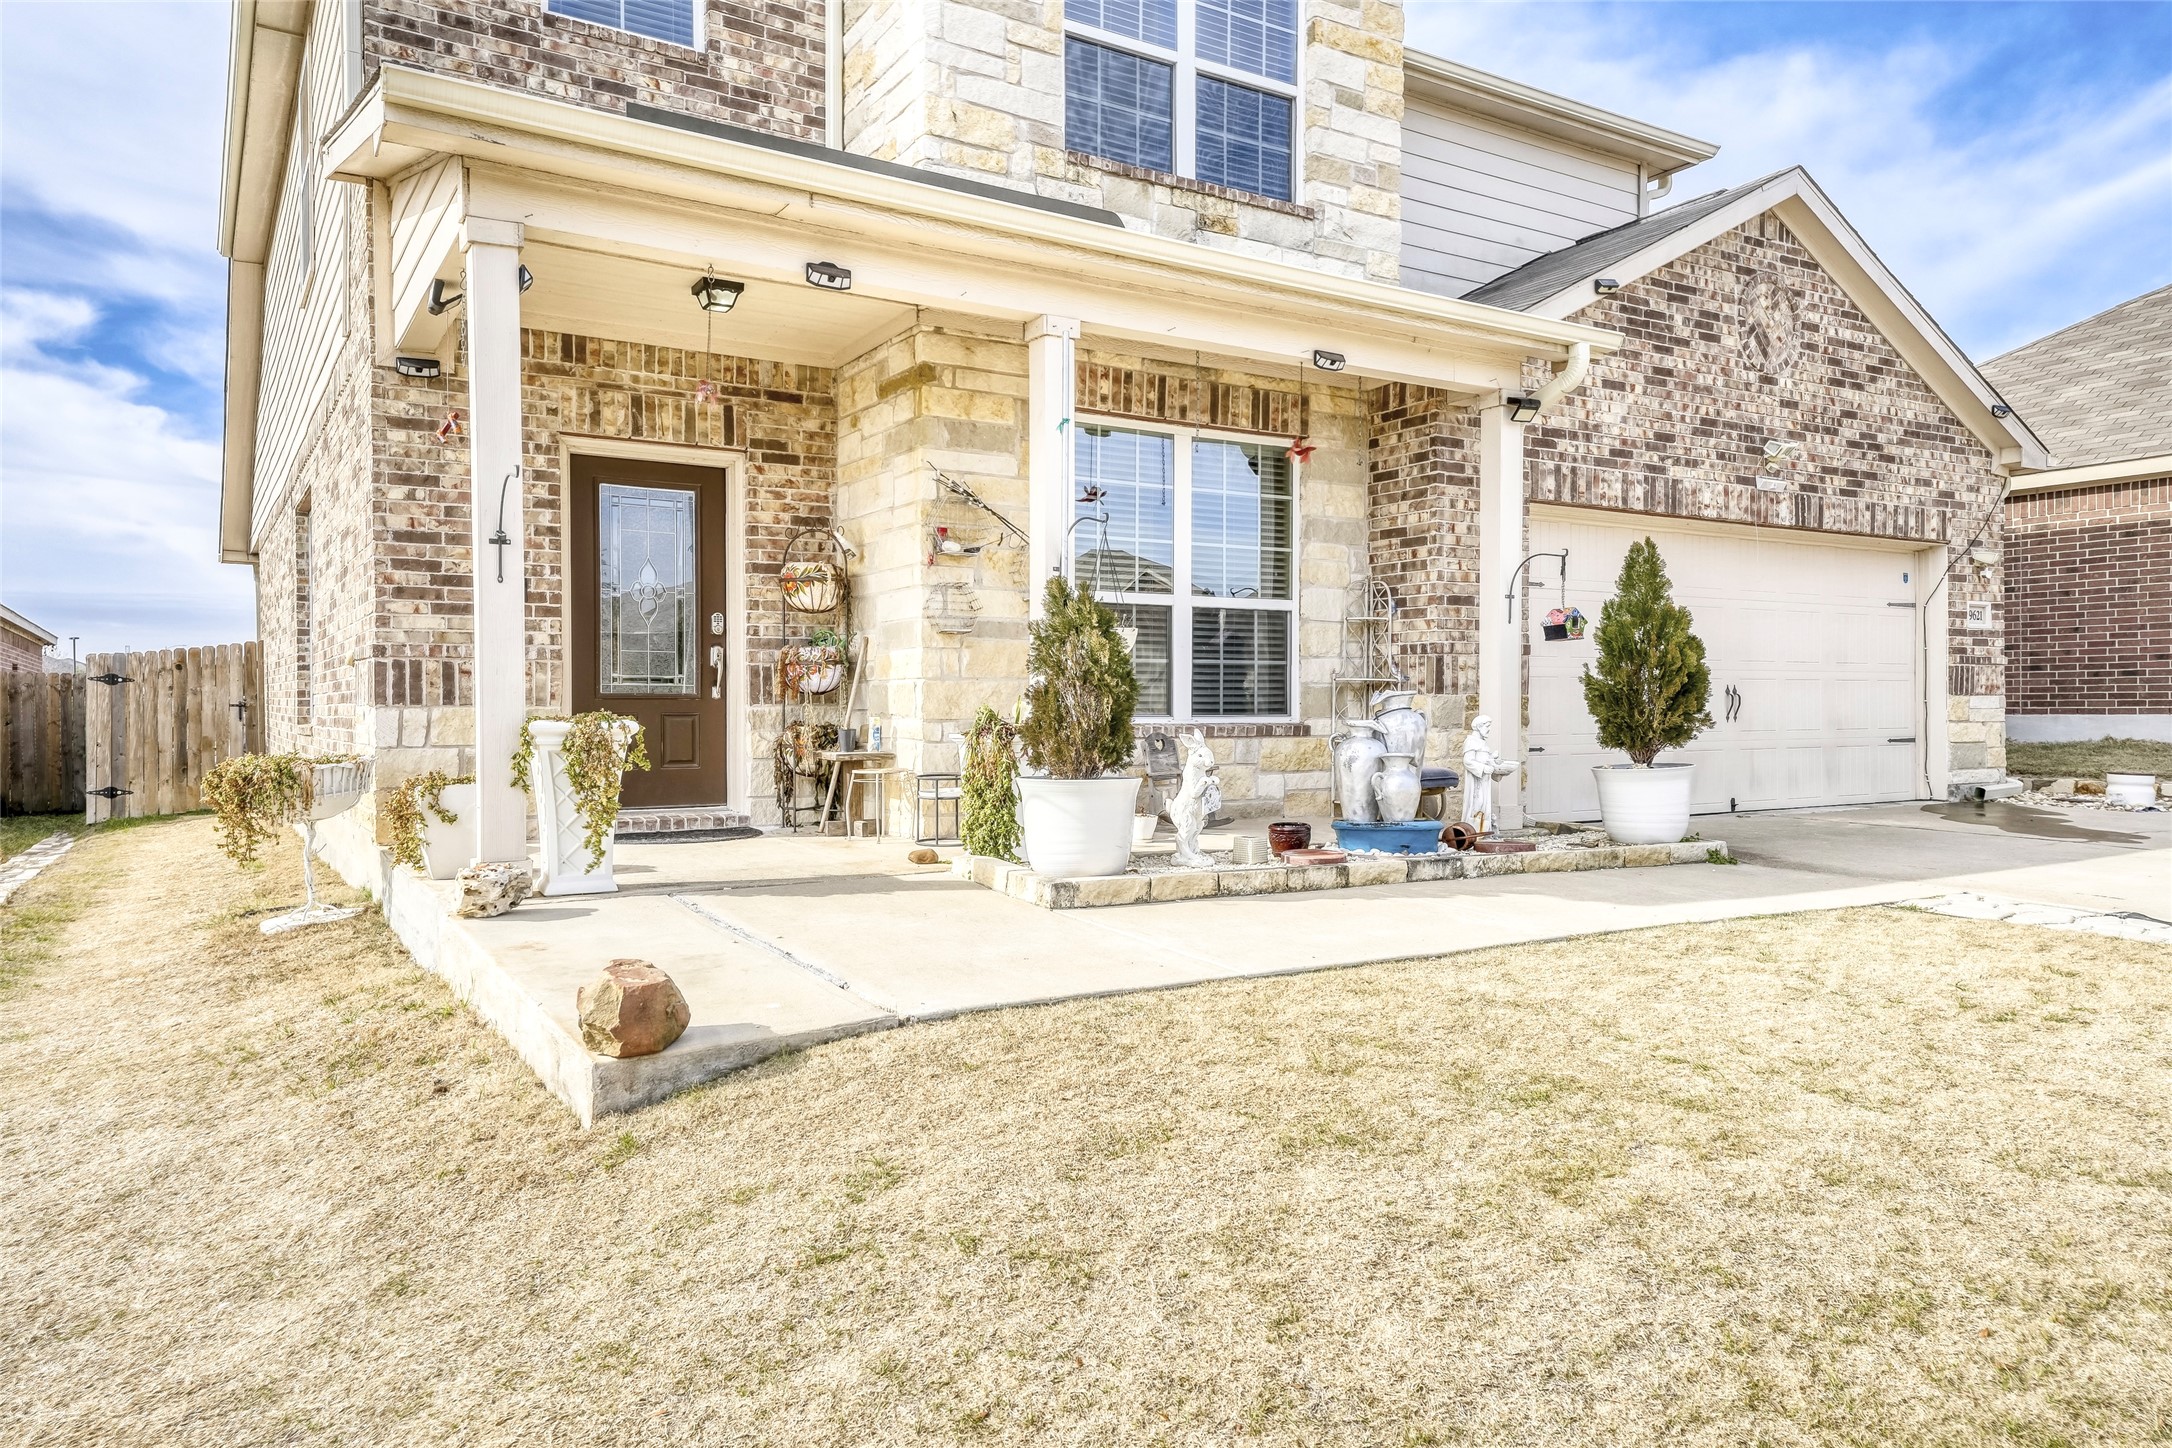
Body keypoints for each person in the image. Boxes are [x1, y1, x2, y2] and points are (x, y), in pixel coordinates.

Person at [1460, 715, 1519, 835]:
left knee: (1484, 805)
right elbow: (1468, 761)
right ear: (1479, 726)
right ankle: (1474, 831)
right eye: (1487, 726)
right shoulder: (1471, 741)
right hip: (1477, 781)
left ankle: (1483, 831)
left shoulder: (1482, 742)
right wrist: (1483, 768)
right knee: (1477, 803)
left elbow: (1482, 759)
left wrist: (1492, 759)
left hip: (1484, 781)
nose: (1489, 729)